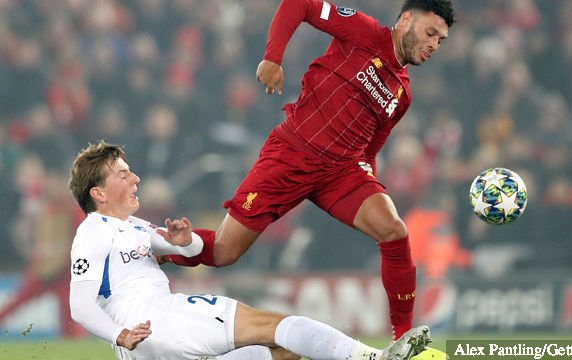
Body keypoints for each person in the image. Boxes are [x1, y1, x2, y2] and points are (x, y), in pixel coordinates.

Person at [165, 0, 455, 340]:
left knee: (394, 230)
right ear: (406, 20)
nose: (434, 44)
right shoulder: (364, 31)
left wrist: (368, 185)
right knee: (224, 251)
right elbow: (299, 3)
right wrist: (272, 57)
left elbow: (371, 149)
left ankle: (404, 337)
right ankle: (163, 246)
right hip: (293, 154)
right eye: (430, 33)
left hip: (341, 171)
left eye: (441, 40)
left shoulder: (402, 93)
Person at [67, 141, 434, 360]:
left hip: (151, 344)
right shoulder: (93, 233)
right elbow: (80, 306)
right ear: (97, 194)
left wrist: (185, 241)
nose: (135, 178)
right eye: (123, 174)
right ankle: (372, 357)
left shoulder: (135, 228)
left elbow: (190, 249)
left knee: (283, 353)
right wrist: (120, 335)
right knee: (274, 326)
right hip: (154, 323)